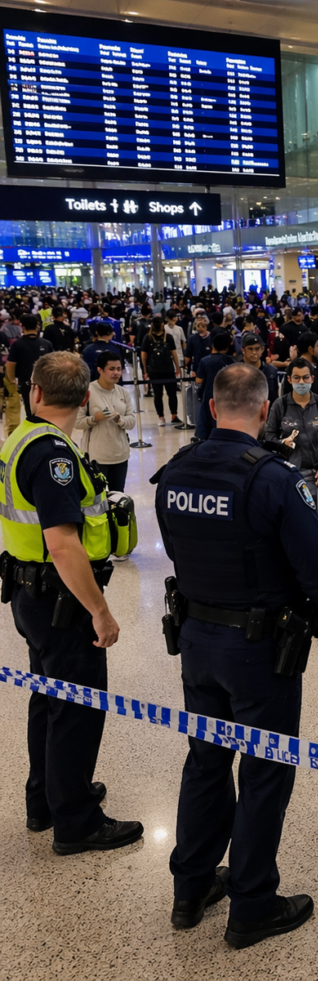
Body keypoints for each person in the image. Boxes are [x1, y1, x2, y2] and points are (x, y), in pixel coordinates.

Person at [154, 363, 318, 947]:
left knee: (206, 761)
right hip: (261, 651)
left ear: (212, 408)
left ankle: (190, 887)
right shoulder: (273, 479)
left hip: (195, 642)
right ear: (265, 411)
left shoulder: (174, 472)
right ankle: (252, 904)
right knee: (264, 770)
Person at [0, 351, 142, 854]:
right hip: (60, 601)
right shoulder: (54, 456)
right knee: (77, 709)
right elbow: (63, 544)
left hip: (28, 593)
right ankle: (77, 822)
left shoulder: (21, 438)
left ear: (34, 392)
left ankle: (48, 799)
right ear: (85, 397)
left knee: (49, 698)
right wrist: (99, 610)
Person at [265, 357, 318, 527]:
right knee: (295, 522)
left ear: (312, 378)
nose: (301, 382)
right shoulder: (280, 405)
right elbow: (268, 437)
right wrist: (282, 443)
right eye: (296, 378)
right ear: (289, 379)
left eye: (306, 377)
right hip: (289, 475)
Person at [76, 352, 137, 494]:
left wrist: (119, 419)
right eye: (111, 369)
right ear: (100, 370)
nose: (116, 373)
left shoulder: (123, 393)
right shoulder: (87, 392)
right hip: (96, 457)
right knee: (97, 497)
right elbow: (77, 423)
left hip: (120, 455)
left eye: (119, 369)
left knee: (118, 495)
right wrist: (95, 418)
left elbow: (131, 421)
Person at [6, 314, 54, 414]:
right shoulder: (47, 344)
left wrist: (12, 380)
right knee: (45, 411)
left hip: (26, 382)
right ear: (37, 325)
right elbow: (53, 364)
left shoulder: (17, 344)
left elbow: (10, 365)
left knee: (30, 411)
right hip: (45, 383)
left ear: (22, 327)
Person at [194, 333, 236, 441]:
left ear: (213, 345)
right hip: (228, 398)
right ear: (227, 347)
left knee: (206, 423)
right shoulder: (232, 362)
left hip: (209, 396)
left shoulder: (205, 360)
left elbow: (199, 380)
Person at [140, 316, 182, 427]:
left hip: (162, 369)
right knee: (162, 394)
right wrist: (145, 370)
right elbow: (144, 355)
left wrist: (177, 367)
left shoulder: (166, 337)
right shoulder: (149, 338)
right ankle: (164, 416)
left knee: (168, 394)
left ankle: (170, 416)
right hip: (159, 370)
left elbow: (173, 353)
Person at [240, 331, 279, 404]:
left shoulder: (272, 371)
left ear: (262, 349)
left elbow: (274, 398)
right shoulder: (234, 372)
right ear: (243, 350)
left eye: (257, 349)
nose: (254, 352)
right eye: (250, 349)